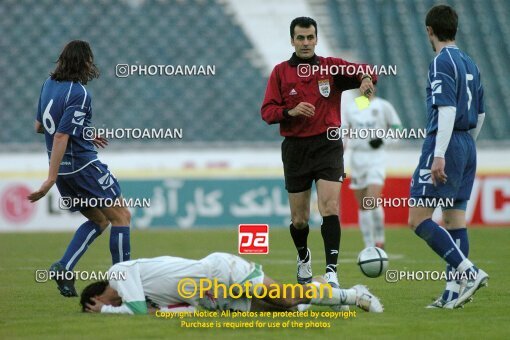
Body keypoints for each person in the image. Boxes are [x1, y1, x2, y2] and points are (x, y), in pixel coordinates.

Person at [261, 17, 377, 288]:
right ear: (292, 40)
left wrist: (366, 80)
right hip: (295, 149)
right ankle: (303, 256)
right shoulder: (280, 72)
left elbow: (367, 70)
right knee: (299, 220)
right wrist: (290, 111)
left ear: (316, 38)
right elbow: (267, 112)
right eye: (300, 38)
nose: (305, 42)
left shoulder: (331, 67)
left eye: (310, 37)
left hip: (328, 145)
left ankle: (331, 272)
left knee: (330, 207)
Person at [27, 40, 132, 298]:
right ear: (84, 62)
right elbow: (61, 135)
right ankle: (122, 285)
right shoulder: (79, 93)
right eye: (89, 60)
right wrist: (48, 180)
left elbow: (41, 127)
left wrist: (84, 132)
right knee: (121, 217)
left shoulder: (48, 85)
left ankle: (64, 267)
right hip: (84, 167)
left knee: (99, 219)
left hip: (64, 172)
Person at [408, 5, 488, 309]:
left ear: (430, 31)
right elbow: (480, 113)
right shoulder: (470, 61)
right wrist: (466, 147)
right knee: (455, 219)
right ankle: (452, 294)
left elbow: (447, 109)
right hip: (467, 142)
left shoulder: (441, 61)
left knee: (418, 219)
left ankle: (470, 271)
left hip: (446, 141)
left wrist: (441, 154)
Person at [80, 252, 383, 314]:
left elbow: (134, 310)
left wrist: (105, 312)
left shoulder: (119, 273)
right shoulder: (143, 295)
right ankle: (323, 287)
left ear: (97, 297)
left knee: (286, 299)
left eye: (98, 305)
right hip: (211, 298)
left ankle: (354, 294)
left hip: (220, 271)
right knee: (286, 308)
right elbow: (163, 311)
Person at [343, 92, 402, 249]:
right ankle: (369, 245)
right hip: (357, 159)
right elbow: (343, 131)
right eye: (362, 82)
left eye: (369, 82)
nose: (366, 86)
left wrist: (384, 140)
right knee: (364, 205)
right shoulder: (351, 108)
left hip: (376, 158)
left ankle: (379, 240)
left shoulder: (383, 106)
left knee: (371, 201)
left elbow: (398, 128)